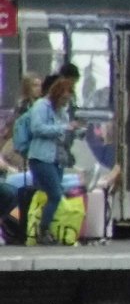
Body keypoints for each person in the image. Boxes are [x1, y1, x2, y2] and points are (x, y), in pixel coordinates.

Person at [25, 76, 78, 245]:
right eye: (63, 98)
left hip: (57, 158)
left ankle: (40, 229)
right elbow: (37, 128)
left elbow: (65, 131)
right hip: (41, 157)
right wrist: (62, 128)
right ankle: (43, 230)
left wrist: (75, 131)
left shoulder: (61, 111)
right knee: (55, 194)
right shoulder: (41, 106)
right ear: (56, 94)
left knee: (47, 195)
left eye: (68, 99)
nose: (65, 102)